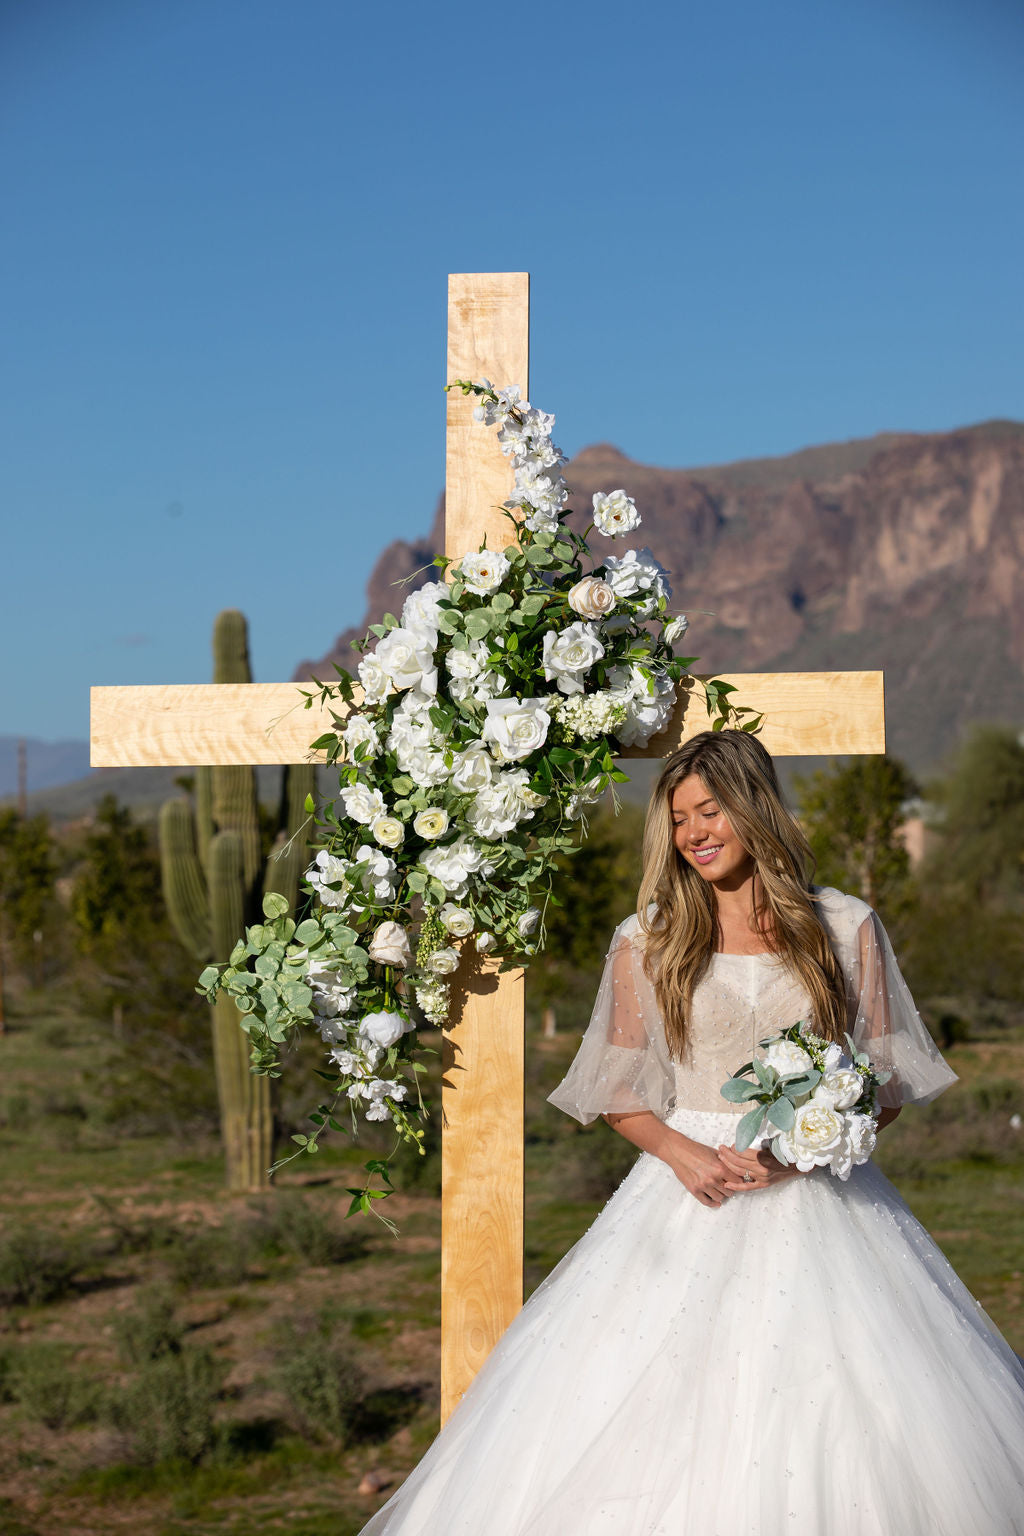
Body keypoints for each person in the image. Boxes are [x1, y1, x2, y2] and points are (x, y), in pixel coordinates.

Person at [359, 731, 1024, 1534]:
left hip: (821, 1200)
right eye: (678, 819)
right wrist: (679, 1151)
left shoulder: (845, 925)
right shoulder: (649, 935)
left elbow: (886, 1077)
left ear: (755, 807)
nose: (694, 833)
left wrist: (809, 1149)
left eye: (710, 811)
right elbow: (612, 1086)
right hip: (682, 1195)